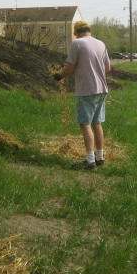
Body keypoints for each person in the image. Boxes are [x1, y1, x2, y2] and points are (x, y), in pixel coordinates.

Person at [55, 21, 111, 169]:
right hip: (102, 89)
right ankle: (100, 157)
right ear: (89, 30)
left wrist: (59, 75)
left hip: (86, 90)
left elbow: (69, 67)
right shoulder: (101, 44)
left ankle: (90, 160)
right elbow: (108, 67)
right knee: (97, 123)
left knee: (85, 124)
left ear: (76, 32)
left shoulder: (77, 43)